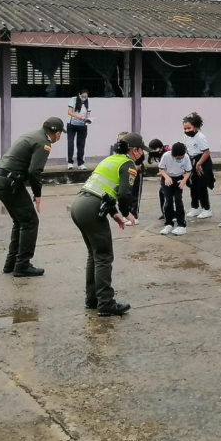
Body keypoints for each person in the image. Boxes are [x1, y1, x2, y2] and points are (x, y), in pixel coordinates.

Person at [70, 132, 149, 317]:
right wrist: (126, 212)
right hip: (92, 208)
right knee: (104, 256)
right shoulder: (128, 164)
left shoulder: (111, 159)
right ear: (134, 150)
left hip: (80, 204)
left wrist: (114, 214)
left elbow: (104, 190)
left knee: (95, 255)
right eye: (140, 150)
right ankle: (106, 303)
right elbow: (123, 193)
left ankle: (93, 300)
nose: (141, 154)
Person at [0, 117, 64, 277]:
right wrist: (37, 194)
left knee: (21, 221)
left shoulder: (32, 135)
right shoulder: (44, 143)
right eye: (60, 135)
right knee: (30, 222)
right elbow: (34, 171)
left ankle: (11, 264)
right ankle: (22, 265)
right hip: (10, 183)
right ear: (57, 134)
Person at [183, 113, 214, 219]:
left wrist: (199, 164)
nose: (187, 130)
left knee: (201, 186)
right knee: (192, 185)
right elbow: (187, 150)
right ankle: (195, 207)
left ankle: (206, 209)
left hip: (202, 161)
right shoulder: (186, 136)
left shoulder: (200, 137)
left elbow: (206, 152)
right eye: (185, 128)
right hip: (192, 160)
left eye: (189, 128)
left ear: (195, 127)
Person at [158, 143, 192, 236]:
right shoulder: (166, 155)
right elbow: (161, 168)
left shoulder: (186, 157)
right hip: (167, 178)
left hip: (179, 179)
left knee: (178, 200)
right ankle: (168, 223)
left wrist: (184, 180)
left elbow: (188, 171)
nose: (179, 160)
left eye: (180, 158)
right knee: (168, 200)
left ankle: (181, 225)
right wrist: (167, 177)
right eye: (177, 158)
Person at [110, 132, 144, 226]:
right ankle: (127, 215)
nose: (120, 142)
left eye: (123, 140)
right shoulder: (118, 151)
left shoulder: (136, 151)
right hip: (126, 174)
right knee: (127, 195)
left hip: (135, 174)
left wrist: (132, 171)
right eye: (119, 140)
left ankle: (134, 215)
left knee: (135, 195)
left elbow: (139, 163)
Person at [66, 89, 91, 170]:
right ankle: (70, 162)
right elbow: (69, 112)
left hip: (82, 126)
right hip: (72, 125)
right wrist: (78, 116)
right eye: (82, 96)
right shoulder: (73, 100)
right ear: (79, 94)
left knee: (81, 145)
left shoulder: (88, 102)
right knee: (70, 144)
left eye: (86, 97)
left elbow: (88, 114)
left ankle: (81, 163)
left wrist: (87, 119)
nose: (84, 98)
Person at [148, 139, 170, 220]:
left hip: (170, 176)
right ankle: (164, 213)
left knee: (168, 195)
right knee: (162, 194)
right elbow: (150, 162)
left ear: (160, 148)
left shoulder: (166, 154)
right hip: (164, 176)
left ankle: (170, 213)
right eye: (151, 149)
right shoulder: (157, 154)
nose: (153, 151)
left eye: (155, 149)